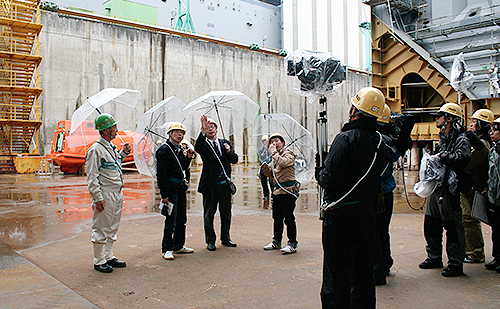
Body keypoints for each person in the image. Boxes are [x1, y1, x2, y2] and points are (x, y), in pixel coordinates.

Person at [316, 87, 386, 308]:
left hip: (341, 218)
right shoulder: (379, 142)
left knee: (337, 277)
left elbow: (329, 180)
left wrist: (320, 169)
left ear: (354, 109)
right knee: (364, 276)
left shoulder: (345, 139)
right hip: (366, 216)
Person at [419, 103, 471, 277]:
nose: (436, 119)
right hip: (437, 187)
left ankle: (456, 263)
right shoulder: (443, 137)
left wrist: (444, 156)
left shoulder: (461, 139)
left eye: (439, 116)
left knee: (453, 226)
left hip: (451, 189)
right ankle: (434, 257)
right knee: (431, 222)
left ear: (449, 118)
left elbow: (463, 160)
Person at [86, 113, 131, 273]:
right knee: (101, 227)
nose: (116, 130)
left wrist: (124, 153)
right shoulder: (95, 150)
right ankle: (99, 260)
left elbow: (115, 164)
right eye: (114, 127)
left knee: (113, 226)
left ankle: (108, 255)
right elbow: (92, 176)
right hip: (105, 194)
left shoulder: (110, 148)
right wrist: (97, 197)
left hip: (117, 193)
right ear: (106, 130)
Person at [195, 115, 238, 251]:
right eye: (207, 128)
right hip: (210, 185)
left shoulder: (225, 142)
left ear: (216, 128)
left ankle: (225, 238)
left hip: (224, 184)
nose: (210, 130)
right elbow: (197, 147)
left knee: (226, 213)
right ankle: (210, 241)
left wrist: (228, 151)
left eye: (212, 127)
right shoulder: (204, 144)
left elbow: (234, 159)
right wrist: (202, 131)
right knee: (209, 214)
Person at [156, 122, 195, 260]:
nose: (180, 135)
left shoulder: (179, 149)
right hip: (170, 189)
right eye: (177, 132)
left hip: (180, 188)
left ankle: (178, 245)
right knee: (170, 220)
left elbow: (182, 167)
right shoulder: (164, 150)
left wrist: (188, 158)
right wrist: (164, 195)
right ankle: (167, 248)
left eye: (182, 132)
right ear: (170, 133)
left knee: (181, 219)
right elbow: (161, 174)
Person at [461, 109, 494, 263]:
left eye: (475, 122)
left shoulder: (483, 145)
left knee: (469, 218)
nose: (472, 124)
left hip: (476, 188)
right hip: (473, 186)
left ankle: (475, 252)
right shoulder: (481, 142)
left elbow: (468, 162)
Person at [373, 104, 401, 285]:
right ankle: (385, 263)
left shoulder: (377, 141)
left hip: (378, 192)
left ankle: (377, 270)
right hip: (387, 191)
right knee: (382, 231)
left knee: (374, 232)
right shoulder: (391, 140)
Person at [261, 133, 299, 254]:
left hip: (288, 191)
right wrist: (266, 170)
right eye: (272, 142)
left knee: (288, 218)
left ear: (282, 142)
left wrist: (273, 153)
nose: (274, 144)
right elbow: (273, 175)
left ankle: (292, 243)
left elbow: (283, 163)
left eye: (276, 141)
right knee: (277, 218)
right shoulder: (275, 157)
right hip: (277, 192)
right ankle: (276, 241)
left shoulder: (289, 154)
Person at [486, 117, 500, 272]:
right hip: (495, 196)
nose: (492, 133)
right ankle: (497, 257)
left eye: (496, 130)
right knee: (496, 229)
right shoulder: (493, 149)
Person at [258, 135, 271, 200]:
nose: (265, 142)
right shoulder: (261, 149)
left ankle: (273, 195)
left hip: (270, 166)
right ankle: (266, 195)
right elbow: (260, 157)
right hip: (263, 166)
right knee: (263, 181)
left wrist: (268, 150)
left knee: (271, 182)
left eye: (265, 140)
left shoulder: (271, 148)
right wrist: (264, 151)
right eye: (263, 141)